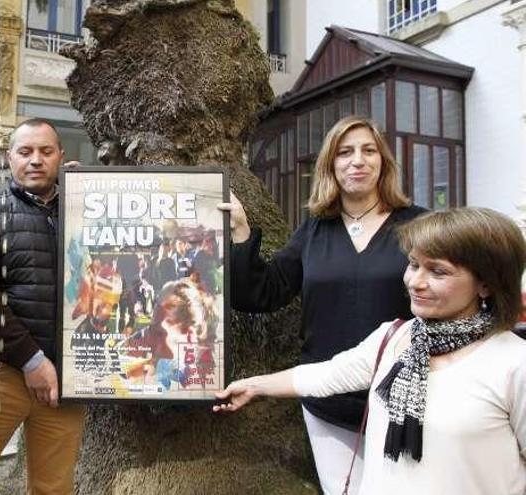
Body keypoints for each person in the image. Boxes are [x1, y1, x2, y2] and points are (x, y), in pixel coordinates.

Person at [214, 207, 526, 495]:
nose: (415, 282)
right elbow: (327, 375)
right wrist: (254, 386)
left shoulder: (513, 363)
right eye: (414, 265)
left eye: (438, 272)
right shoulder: (395, 337)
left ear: (486, 284)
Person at [217, 115, 426, 493]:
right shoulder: (314, 229)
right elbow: (263, 292)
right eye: (345, 153)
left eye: (368, 150)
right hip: (327, 405)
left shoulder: (419, 226)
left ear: (383, 162)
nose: (357, 161)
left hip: (405, 404)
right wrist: (241, 232)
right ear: (331, 165)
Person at [0, 118, 86, 494]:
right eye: (25, 152)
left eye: (46, 152)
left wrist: (93, 187)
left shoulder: (84, 208)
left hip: (66, 383)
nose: (35, 160)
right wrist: (32, 360)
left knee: (54, 486)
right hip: (3, 374)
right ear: (10, 157)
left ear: (61, 157)